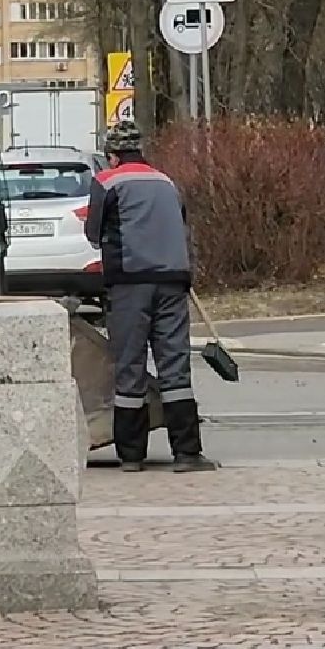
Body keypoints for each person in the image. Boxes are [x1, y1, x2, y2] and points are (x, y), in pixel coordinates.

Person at [83, 118, 217, 474]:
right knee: (175, 367)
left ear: (113, 155)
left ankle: (131, 456)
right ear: (140, 150)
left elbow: (93, 234)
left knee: (130, 368)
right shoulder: (166, 181)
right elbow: (180, 224)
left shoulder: (107, 182)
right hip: (173, 282)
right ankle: (187, 453)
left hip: (130, 284)